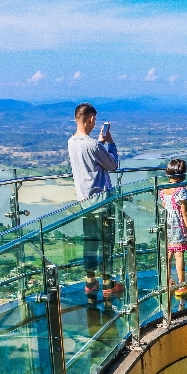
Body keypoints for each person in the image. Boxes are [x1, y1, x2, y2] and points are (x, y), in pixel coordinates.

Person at [68, 102, 123, 309]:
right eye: (94, 120)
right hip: (102, 203)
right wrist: (109, 143)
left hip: (85, 204)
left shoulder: (71, 142)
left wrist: (99, 144)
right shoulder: (93, 145)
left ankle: (90, 283)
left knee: (90, 245)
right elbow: (112, 165)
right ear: (91, 119)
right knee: (106, 246)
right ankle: (108, 285)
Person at [159, 159, 187, 299]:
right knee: (179, 255)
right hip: (179, 225)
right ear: (182, 174)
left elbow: (164, 208)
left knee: (168, 254)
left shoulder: (163, 189)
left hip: (167, 225)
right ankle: (182, 285)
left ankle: (167, 281)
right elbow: (184, 212)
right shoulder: (180, 190)